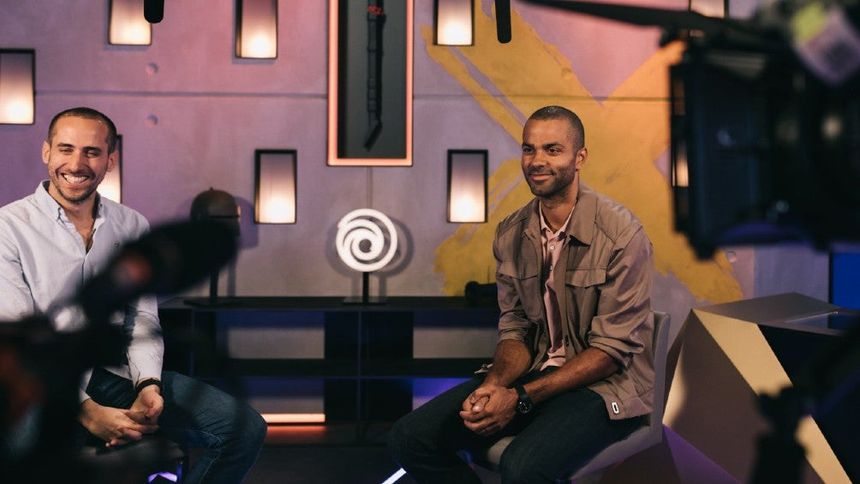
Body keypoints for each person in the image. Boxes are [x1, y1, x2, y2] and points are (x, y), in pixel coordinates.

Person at [389, 105, 655, 483]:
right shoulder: (511, 233)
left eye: (552, 149)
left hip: (603, 389)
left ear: (580, 158)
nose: (537, 161)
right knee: (411, 437)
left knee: (523, 467)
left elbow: (610, 353)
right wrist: (495, 385)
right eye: (529, 149)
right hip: (534, 377)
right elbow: (515, 329)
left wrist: (520, 398)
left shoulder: (622, 234)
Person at [0, 107, 267, 483]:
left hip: (115, 374)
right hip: (39, 382)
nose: (76, 164)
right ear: (47, 152)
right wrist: (88, 412)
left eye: (92, 152)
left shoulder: (131, 224)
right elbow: (22, 343)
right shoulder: (8, 227)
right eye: (66, 149)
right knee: (31, 456)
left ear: (110, 160)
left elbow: (141, 319)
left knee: (244, 430)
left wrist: (148, 386)